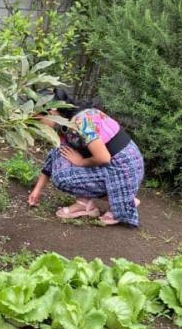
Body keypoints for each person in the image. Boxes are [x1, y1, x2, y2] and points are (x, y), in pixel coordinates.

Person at [27, 89, 145, 226]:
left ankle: (124, 200)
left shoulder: (80, 121)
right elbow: (55, 153)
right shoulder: (66, 123)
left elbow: (104, 157)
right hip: (110, 163)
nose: (39, 125)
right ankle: (86, 204)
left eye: (38, 120)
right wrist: (37, 190)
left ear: (51, 110)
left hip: (122, 167)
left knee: (62, 178)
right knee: (61, 153)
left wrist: (81, 162)